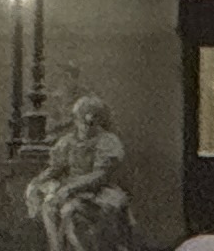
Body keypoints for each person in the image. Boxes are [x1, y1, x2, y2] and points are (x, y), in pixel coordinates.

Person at [27, 99, 134, 251]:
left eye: (93, 118)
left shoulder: (108, 141)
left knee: (69, 210)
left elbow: (100, 176)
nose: (87, 122)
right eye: (82, 117)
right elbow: (55, 168)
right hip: (72, 190)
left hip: (99, 192)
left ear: (99, 120)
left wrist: (70, 189)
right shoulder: (67, 142)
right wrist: (37, 181)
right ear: (76, 119)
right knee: (49, 206)